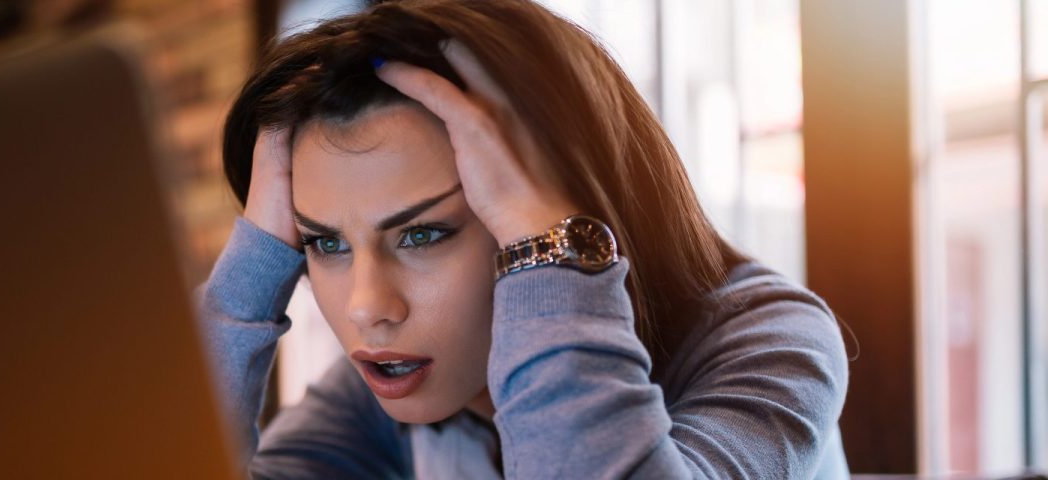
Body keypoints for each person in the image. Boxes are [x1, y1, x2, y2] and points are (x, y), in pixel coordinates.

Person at [195, 0, 850, 477]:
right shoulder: (389, 392)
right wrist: (250, 269)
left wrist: (551, 245)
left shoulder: (770, 343)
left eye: (424, 233)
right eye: (325, 244)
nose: (367, 306)